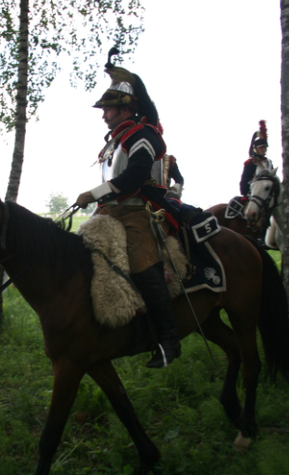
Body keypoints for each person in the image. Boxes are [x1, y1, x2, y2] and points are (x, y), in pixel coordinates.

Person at [75, 48, 180, 368]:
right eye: (104, 109)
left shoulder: (142, 135)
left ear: (125, 109)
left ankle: (168, 341)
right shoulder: (115, 140)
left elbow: (134, 176)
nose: (103, 114)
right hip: (110, 210)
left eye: (107, 108)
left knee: (143, 265)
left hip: (137, 210)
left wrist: (95, 193)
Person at [239, 120, 275, 197]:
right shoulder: (251, 162)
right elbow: (245, 180)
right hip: (254, 192)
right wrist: (246, 193)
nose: (263, 149)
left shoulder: (269, 162)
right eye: (261, 148)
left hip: (268, 193)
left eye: (265, 147)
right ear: (256, 149)